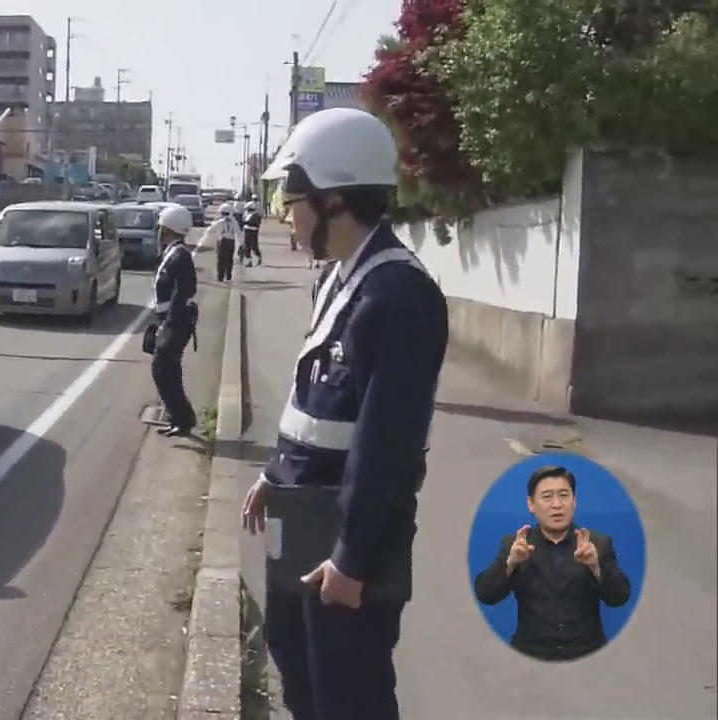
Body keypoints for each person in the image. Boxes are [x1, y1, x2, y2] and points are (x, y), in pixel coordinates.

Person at [240, 107, 449, 720]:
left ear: (334, 200)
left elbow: (388, 443)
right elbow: (317, 405)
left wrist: (354, 558)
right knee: (296, 664)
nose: (284, 211)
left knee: (349, 695)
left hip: (348, 540)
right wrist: (275, 474)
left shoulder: (399, 295)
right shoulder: (336, 279)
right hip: (302, 515)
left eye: (293, 195)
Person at [473, 465, 632, 662]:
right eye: (547, 497)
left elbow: (619, 597)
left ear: (574, 501)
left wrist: (596, 567)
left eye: (564, 495)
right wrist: (510, 563)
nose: (557, 505)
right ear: (531, 504)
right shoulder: (515, 544)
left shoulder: (597, 543)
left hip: (586, 654)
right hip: (530, 654)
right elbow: (485, 594)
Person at [150, 204, 199, 438]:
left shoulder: (181, 256)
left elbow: (184, 291)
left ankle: (183, 418)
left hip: (176, 323)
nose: (159, 232)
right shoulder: (173, 252)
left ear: (169, 229)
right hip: (169, 321)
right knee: (166, 370)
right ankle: (178, 418)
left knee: (163, 369)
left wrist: (168, 325)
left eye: (161, 228)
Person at [201, 201, 241, 282]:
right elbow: (239, 233)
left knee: (221, 260)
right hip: (231, 241)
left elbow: (210, 230)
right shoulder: (234, 222)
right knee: (229, 259)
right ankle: (228, 274)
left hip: (222, 241)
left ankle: (220, 276)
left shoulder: (220, 222)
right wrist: (241, 244)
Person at [240, 200, 264, 266]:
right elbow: (243, 221)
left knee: (254, 246)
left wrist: (247, 223)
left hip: (253, 232)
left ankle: (258, 257)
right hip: (246, 231)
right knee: (246, 246)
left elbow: (255, 224)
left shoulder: (255, 215)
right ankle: (249, 261)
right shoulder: (246, 214)